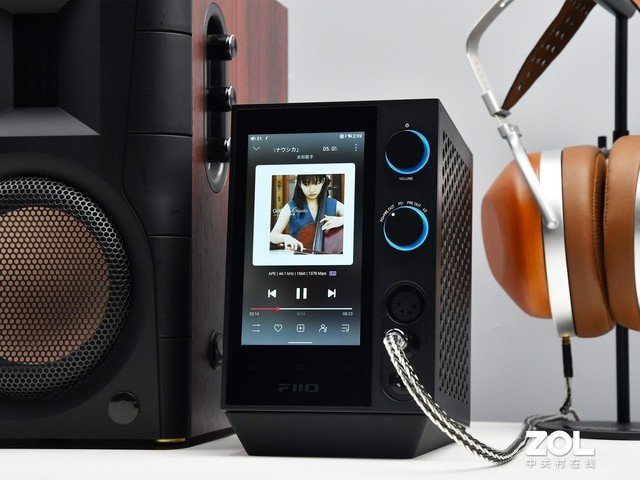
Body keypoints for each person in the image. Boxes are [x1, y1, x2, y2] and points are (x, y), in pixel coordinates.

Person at [270, 174, 344, 252]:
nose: (312, 190)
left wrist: (342, 220)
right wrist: (285, 238)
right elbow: (272, 236)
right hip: (300, 256)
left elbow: (353, 217)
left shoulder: (333, 204)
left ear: (323, 182)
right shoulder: (290, 207)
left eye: (316, 183)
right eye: (306, 184)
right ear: (300, 184)